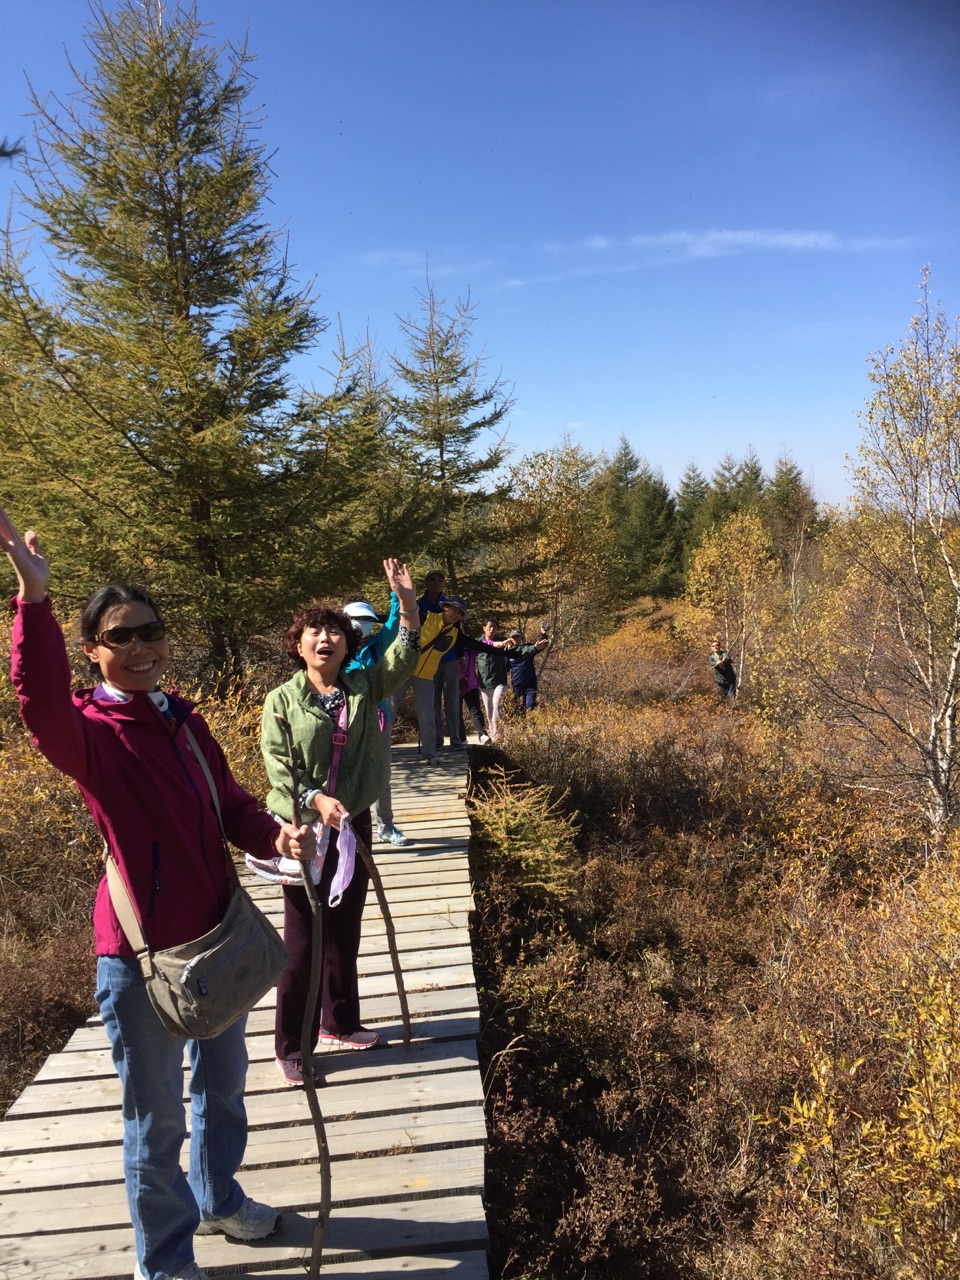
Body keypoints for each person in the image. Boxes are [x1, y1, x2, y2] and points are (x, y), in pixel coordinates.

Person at [0, 505, 314, 1280]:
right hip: (142, 962)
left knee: (224, 1092)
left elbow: (232, 803)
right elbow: (36, 703)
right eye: (121, 637)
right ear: (93, 650)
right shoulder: (91, 734)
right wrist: (32, 599)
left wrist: (275, 833)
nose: (141, 648)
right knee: (156, 1123)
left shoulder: (182, 720)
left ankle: (221, 1202)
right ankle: (166, 1263)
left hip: (220, 940)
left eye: (150, 632)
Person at [258, 560, 420, 1084]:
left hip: (352, 825)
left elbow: (402, 655)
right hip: (305, 833)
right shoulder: (281, 701)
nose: (325, 639)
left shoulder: (362, 686)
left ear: (349, 645)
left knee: (345, 928)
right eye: (314, 633)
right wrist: (314, 800)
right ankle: (291, 1044)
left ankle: (339, 1021)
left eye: (334, 633)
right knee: (303, 939)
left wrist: (407, 606)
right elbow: (278, 770)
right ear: (299, 646)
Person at [342, 595, 410, 847]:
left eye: (367, 620)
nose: (361, 625)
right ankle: (344, 831)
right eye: (355, 619)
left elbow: (395, 624)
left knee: (381, 774)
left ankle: (386, 826)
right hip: (342, 721)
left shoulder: (377, 646)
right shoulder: (334, 647)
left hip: (376, 718)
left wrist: (397, 596)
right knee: (343, 775)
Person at [476, 617, 510, 742]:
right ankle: (494, 735)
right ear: (484, 628)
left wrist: (509, 645)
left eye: (494, 627)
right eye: (489, 626)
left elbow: (511, 650)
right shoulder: (477, 642)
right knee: (489, 709)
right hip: (484, 681)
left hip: (499, 680)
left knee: (497, 703)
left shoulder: (501, 642)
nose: (492, 629)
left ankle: (500, 732)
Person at [506, 625, 550, 713]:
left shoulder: (528, 648)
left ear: (520, 637)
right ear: (510, 638)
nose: (515, 638)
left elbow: (541, 644)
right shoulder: (507, 653)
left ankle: (531, 725)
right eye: (513, 637)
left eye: (517, 636)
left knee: (529, 707)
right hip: (517, 685)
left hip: (530, 685)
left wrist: (543, 634)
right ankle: (522, 726)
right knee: (519, 709)